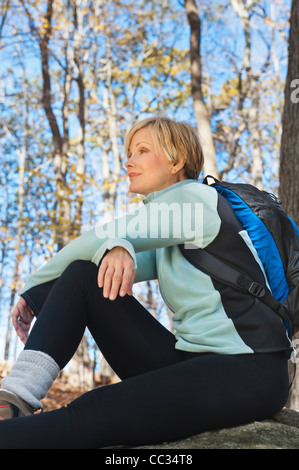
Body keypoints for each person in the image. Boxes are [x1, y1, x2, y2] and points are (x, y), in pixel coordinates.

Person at [0, 116, 292, 449]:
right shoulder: (170, 227)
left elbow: (106, 236)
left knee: (95, 411)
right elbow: (95, 261)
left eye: (142, 150)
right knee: (85, 275)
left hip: (248, 370)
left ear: (177, 162)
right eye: (129, 151)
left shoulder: (196, 200)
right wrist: (42, 294)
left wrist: (115, 246)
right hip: (193, 363)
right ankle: (13, 400)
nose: (129, 161)